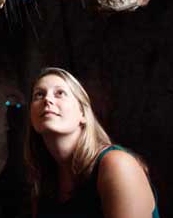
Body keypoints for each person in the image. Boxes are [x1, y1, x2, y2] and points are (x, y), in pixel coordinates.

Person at [23, 67, 160, 218]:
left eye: (60, 93)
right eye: (39, 95)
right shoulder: (44, 183)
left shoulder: (117, 165)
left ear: (82, 113)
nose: (47, 99)